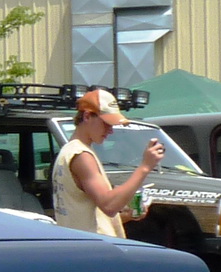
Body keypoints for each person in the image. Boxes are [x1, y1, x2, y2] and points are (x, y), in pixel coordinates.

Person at [50, 87, 165, 236]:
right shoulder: (81, 155)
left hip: (81, 246)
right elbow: (109, 205)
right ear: (87, 116)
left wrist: (128, 215)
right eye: (106, 123)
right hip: (93, 249)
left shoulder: (69, 152)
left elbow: (92, 215)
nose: (110, 130)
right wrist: (145, 167)